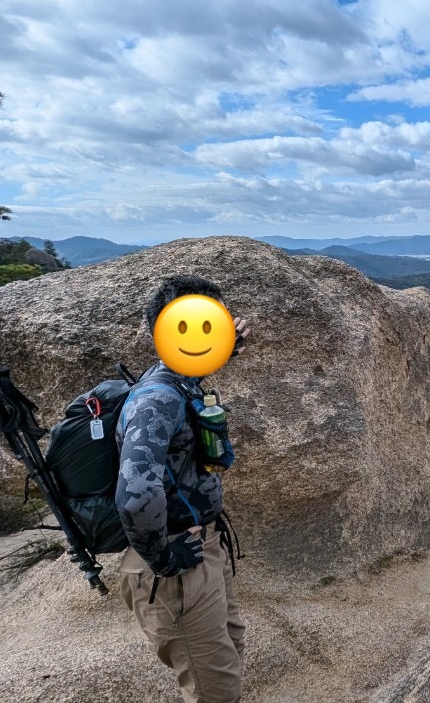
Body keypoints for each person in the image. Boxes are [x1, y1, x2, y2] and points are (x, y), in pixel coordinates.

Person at [115, 275, 249, 703]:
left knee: (228, 653)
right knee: (215, 689)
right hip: (177, 565)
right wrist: (165, 560)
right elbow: (135, 494)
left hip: (203, 548)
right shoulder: (157, 399)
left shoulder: (182, 381)